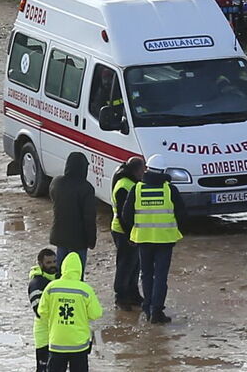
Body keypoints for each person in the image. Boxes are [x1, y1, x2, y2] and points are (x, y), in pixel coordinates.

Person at [121, 154, 189, 324]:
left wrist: (133, 231)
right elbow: (182, 214)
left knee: (146, 275)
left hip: (143, 240)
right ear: (164, 170)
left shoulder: (136, 189)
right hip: (165, 240)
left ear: (147, 169)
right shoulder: (170, 189)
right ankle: (156, 311)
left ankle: (147, 309)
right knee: (160, 276)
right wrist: (178, 230)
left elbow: (126, 215)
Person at [37, 252, 102, 372]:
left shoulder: (52, 287)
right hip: (79, 345)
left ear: (63, 268)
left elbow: (42, 312)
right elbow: (96, 314)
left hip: (57, 343)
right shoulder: (85, 289)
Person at [49, 152, 96, 276]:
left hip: (60, 235)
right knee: (76, 273)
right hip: (78, 240)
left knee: (60, 272)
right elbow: (89, 218)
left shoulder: (57, 182)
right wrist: (92, 240)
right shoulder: (86, 188)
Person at [110, 156, 145, 310]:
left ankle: (133, 293)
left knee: (134, 264)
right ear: (137, 170)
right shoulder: (125, 185)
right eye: (143, 170)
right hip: (123, 231)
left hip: (131, 230)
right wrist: (131, 234)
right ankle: (121, 297)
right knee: (125, 265)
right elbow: (123, 215)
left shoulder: (131, 182)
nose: (144, 173)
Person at [28, 248, 58, 372]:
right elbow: (39, 311)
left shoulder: (58, 278)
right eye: (49, 263)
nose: (53, 265)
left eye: (54, 262)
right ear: (40, 264)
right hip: (44, 336)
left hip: (57, 333)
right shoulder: (36, 283)